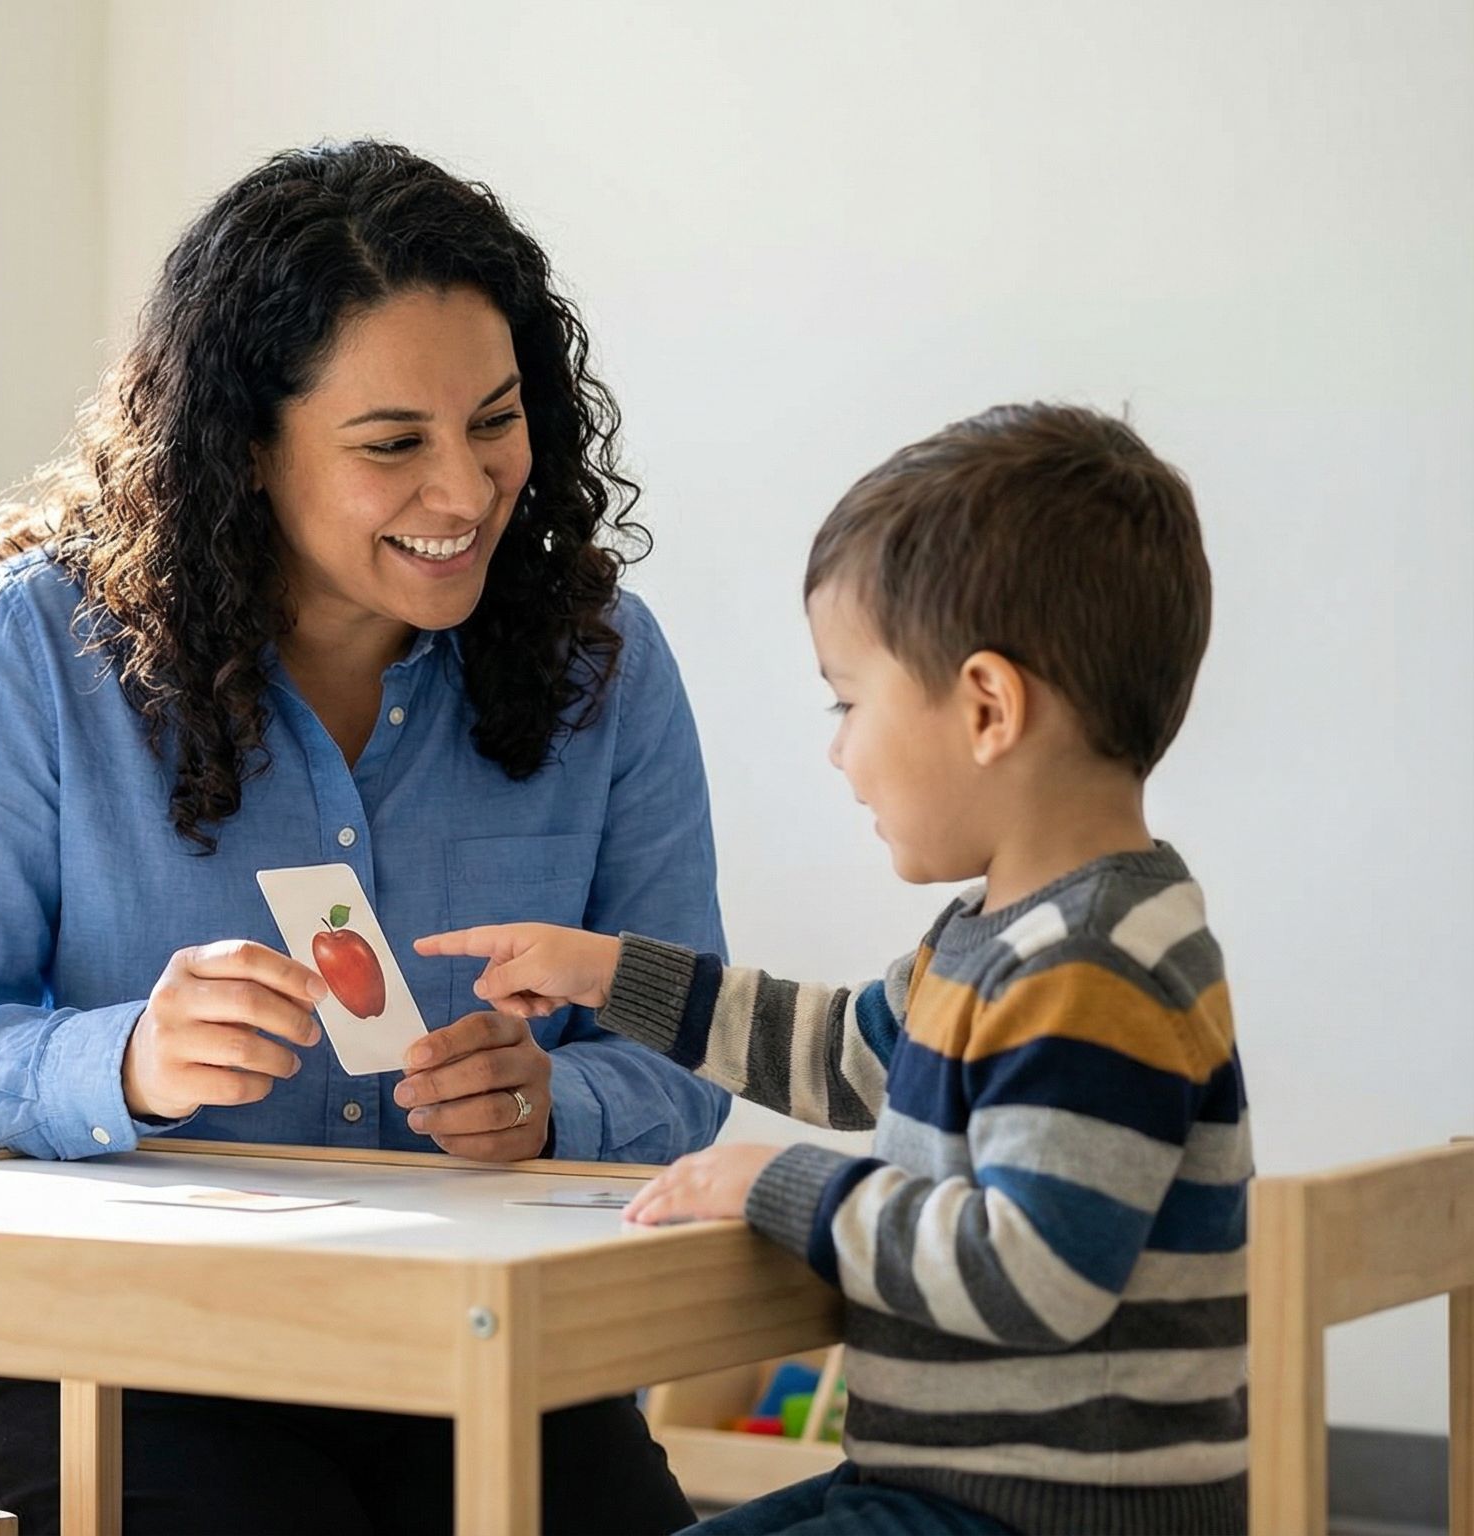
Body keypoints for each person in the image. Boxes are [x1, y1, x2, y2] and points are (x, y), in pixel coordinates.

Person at [0, 140, 727, 1534]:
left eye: (496, 421)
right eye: (391, 447)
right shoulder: (38, 650)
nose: (470, 491)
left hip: (471, 1351)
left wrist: (561, 1108)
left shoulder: (603, 668)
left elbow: (688, 1047)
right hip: (113, 1360)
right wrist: (117, 1058)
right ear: (245, 445)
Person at [422, 403, 1246, 1535]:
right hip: (951, 1486)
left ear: (987, 708)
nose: (836, 749)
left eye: (850, 702)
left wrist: (779, 1186)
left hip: (1047, 1510)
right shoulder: (1002, 935)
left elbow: (1036, 1266)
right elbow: (847, 1055)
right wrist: (610, 974)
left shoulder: (1088, 971)